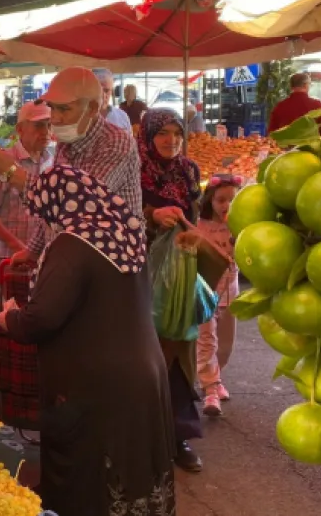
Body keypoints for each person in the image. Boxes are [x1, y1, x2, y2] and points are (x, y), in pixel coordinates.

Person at [0, 165, 175, 515]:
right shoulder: (127, 232)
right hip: (145, 374)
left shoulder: (72, 245)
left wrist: (10, 317)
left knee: (95, 479)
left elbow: (42, 318)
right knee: (138, 467)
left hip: (98, 387)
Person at [0, 67, 143, 265]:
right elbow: (50, 213)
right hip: (70, 259)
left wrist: (10, 172)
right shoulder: (66, 142)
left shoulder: (116, 143)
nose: (55, 118)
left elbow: (78, 204)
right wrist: (33, 250)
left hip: (109, 263)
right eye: (53, 108)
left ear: (92, 109)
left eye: (64, 109)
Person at [138, 107, 205, 473]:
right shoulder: (134, 171)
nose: (171, 140)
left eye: (176, 132)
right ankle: (146, 435)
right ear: (148, 136)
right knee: (149, 354)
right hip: (142, 275)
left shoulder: (188, 170)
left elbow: (195, 214)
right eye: (162, 132)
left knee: (180, 351)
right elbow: (123, 217)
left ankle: (179, 437)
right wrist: (151, 217)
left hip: (182, 272)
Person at [0, 102, 52, 282]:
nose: (46, 131)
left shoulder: (51, 160)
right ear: (20, 129)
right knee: (14, 304)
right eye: (39, 125)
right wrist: (18, 247)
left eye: (49, 124)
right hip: (9, 255)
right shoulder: (3, 161)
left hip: (43, 255)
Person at [196, 174, 242, 417]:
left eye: (232, 201)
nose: (226, 206)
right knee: (206, 340)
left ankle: (216, 377)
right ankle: (209, 387)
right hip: (204, 293)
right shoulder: (199, 226)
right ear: (210, 201)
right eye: (221, 200)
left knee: (225, 345)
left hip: (230, 294)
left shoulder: (241, 227)